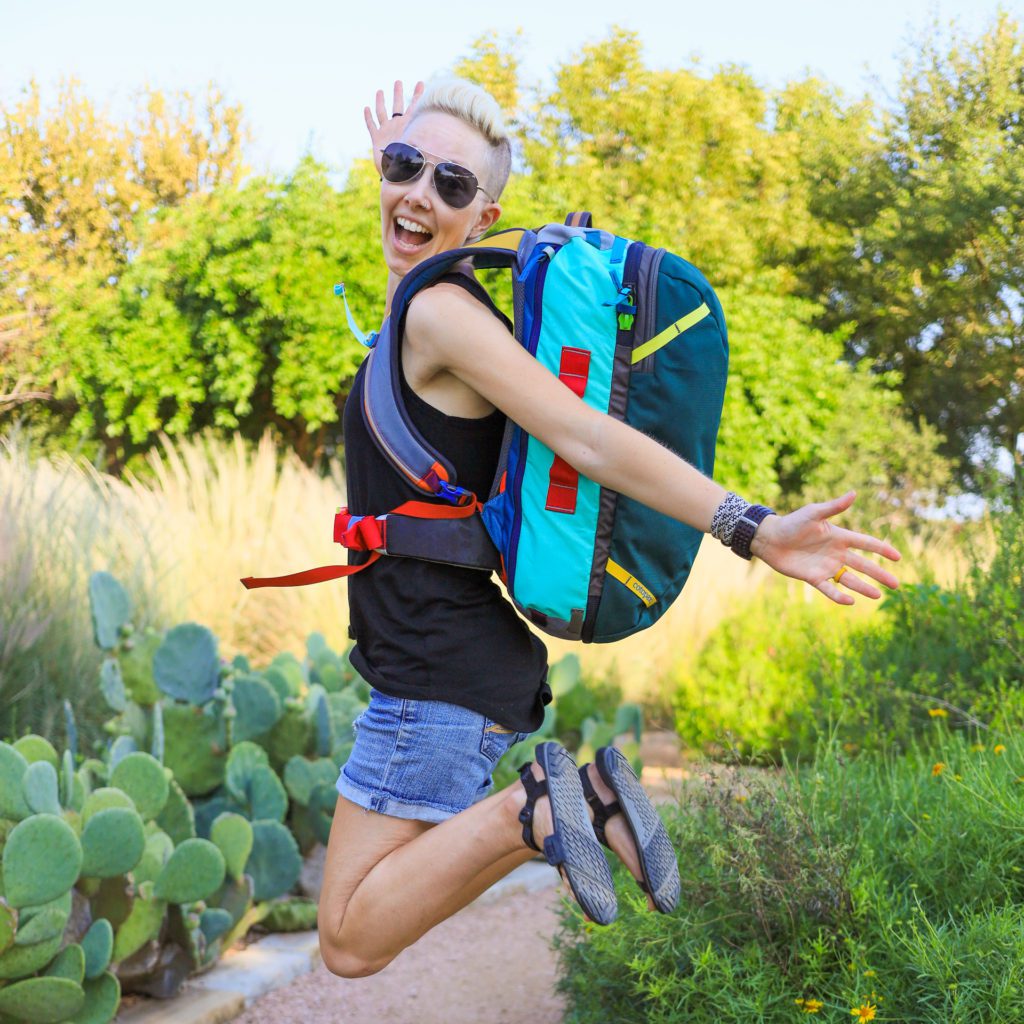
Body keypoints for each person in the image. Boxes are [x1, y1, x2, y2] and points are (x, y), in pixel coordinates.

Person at [316, 75, 901, 978]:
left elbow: (587, 437)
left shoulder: (441, 314)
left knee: (349, 941)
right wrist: (411, 167)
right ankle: (576, 796)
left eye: (453, 185)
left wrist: (753, 527)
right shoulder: (421, 305)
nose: (421, 192)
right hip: (441, 656)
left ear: (488, 214)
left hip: (432, 663)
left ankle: (541, 808)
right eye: (404, 168)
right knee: (369, 918)